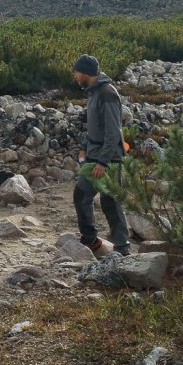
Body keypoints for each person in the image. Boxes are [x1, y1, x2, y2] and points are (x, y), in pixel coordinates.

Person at [72, 54, 131, 256]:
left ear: (85, 72)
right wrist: (84, 147)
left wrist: (102, 162)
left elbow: (113, 131)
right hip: (94, 155)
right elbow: (94, 127)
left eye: (76, 71)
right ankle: (90, 240)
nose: (75, 75)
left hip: (109, 159)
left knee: (111, 202)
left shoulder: (107, 93)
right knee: (81, 196)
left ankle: (122, 249)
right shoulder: (93, 92)